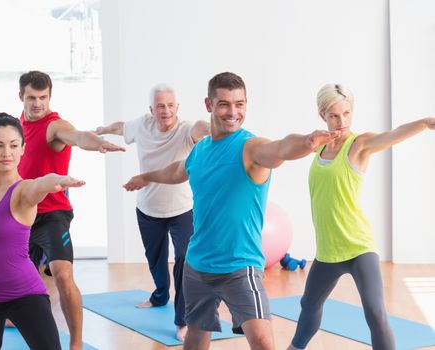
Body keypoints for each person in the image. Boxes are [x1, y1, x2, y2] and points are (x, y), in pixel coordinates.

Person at [123, 72, 340, 350]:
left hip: (239, 266)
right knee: (196, 337)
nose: (233, 112)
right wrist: (146, 176)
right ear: (208, 105)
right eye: (224, 104)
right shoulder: (200, 150)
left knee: (262, 341)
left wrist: (307, 142)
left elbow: (281, 147)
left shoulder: (250, 147)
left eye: (240, 104)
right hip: (197, 264)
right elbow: (178, 171)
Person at [287, 84, 435, 350]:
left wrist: (424, 122)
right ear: (323, 115)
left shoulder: (359, 145)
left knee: (375, 312)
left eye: (346, 113)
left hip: (358, 247)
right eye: (334, 115)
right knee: (308, 305)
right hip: (328, 250)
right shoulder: (319, 148)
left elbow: (394, 134)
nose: (341, 121)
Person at [0, 113, 86, 350]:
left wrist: (59, 179)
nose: (6, 152)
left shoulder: (23, 191)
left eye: (13, 145)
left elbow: (42, 182)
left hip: (24, 295)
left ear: (23, 149)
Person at [17, 70, 125, 349]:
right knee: (17, 277)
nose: (38, 103)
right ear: (21, 97)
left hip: (53, 214)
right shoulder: (17, 126)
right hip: (23, 212)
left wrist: (97, 143)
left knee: (63, 275)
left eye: (43, 97)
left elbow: (76, 136)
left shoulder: (54, 126)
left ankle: (76, 343)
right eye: (32, 98)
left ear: (50, 97)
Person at [95, 84, 210, 341]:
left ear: (177, 107)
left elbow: (201, 127)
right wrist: (103, 130)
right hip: (148, 208)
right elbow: (122, 126)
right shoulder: (143, 125)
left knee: (184, 258)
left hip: (182, 210)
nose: (166, 110)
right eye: (160, 106)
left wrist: (217, 127)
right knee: (156, 261)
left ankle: (182, 320)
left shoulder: (186, 129)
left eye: (170, 105)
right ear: (151, 110)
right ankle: (160, 296)